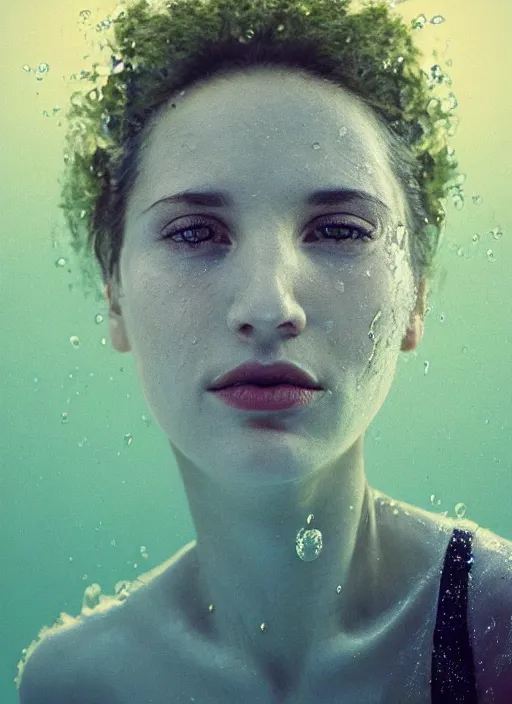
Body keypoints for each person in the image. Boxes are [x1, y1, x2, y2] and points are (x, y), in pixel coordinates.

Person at [17, 1, 512, 702]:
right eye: (193, 233)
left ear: (416, 298)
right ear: (115, 293)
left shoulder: (502, 626)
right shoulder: (72, 683)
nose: (269, 307)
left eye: (339, 231)